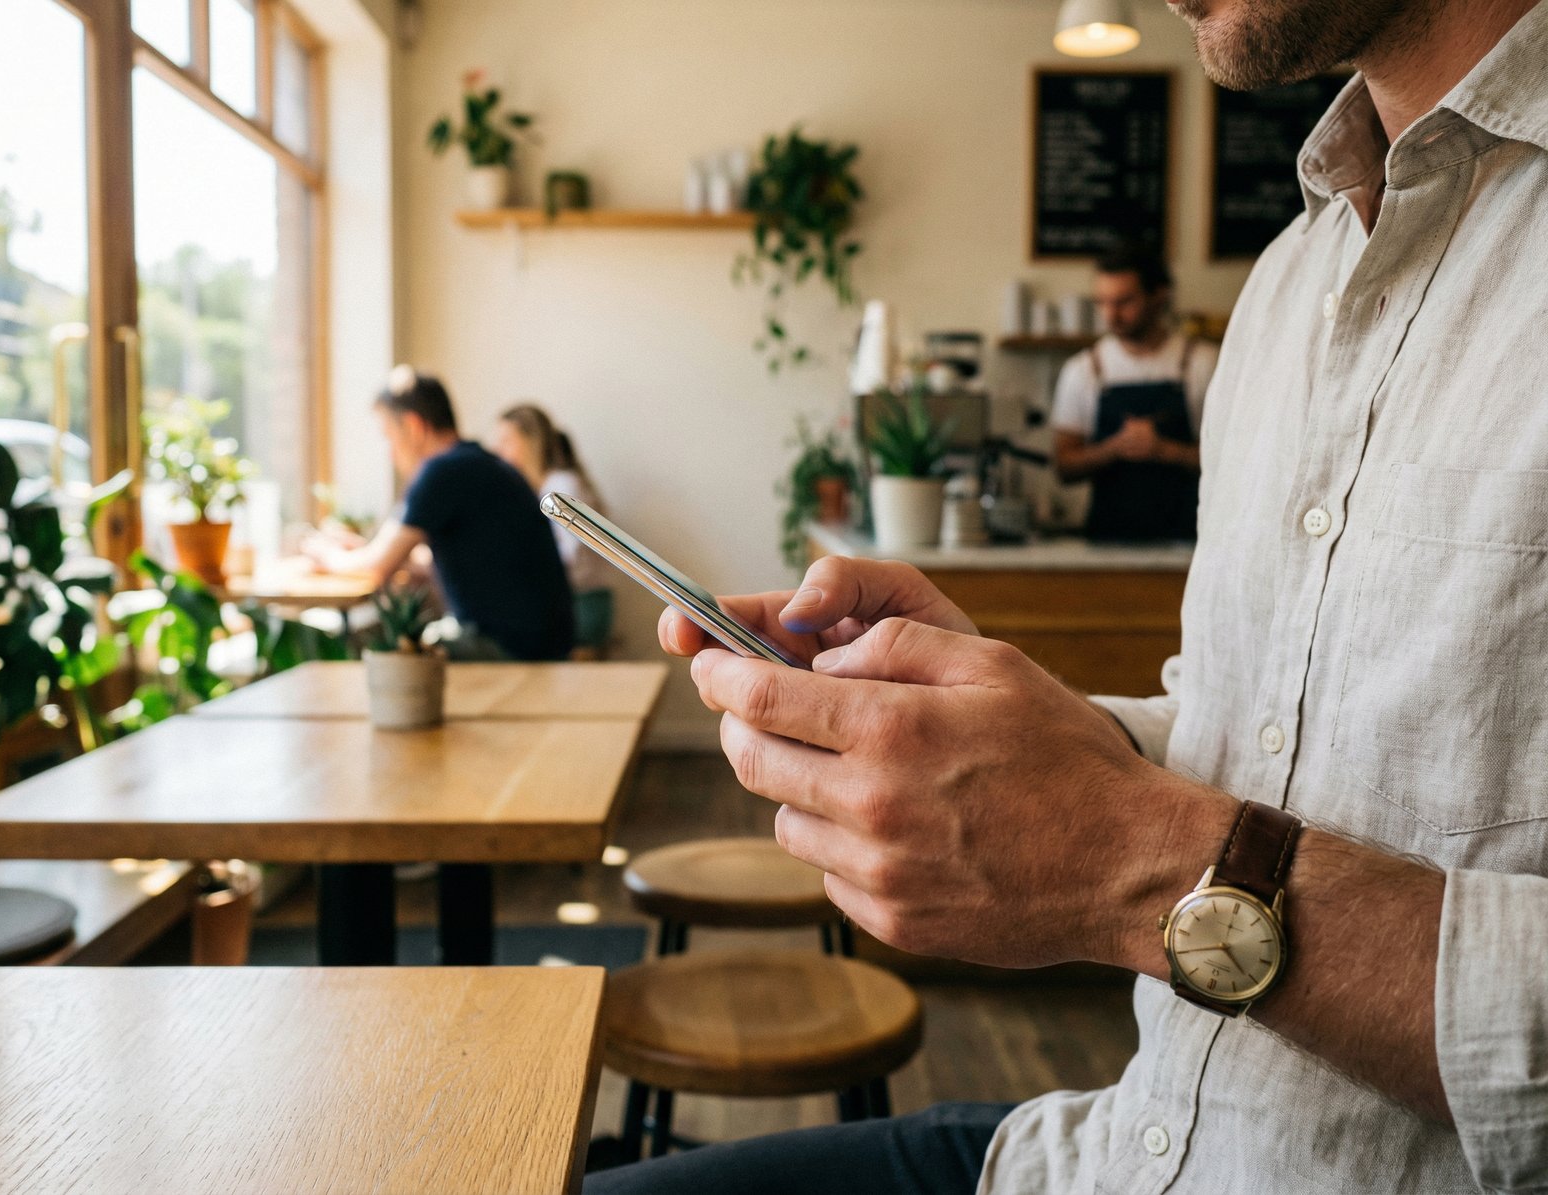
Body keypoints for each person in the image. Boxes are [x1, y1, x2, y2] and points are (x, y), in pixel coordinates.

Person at [589, 0, 1548, 1191]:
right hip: (1110, 1152)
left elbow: (1171, 843)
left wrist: (1120, 861)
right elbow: (1245, 731)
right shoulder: (1291, 284)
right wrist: (1023, 730)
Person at [307, 367, 573, 662]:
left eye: (389, 437)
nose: (391, 453)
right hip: (544, 640)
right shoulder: (480, 463)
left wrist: (325, 555)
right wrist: (363, 552)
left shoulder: (441, 472)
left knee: (385, 658)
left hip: (510, 647)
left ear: (413, 427)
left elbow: (375, 569)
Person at [1050, 249, 1217, 542]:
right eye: (1102, 302)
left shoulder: (1203, 363)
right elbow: (1064, 467)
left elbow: (1232, 460)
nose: (1111, 314)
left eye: (1124, 301)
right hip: (1106, 541)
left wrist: (1165, 450)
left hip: (1190, 542)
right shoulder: (1082, 370)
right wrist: (1113, 448)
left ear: (1159, 296)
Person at [486, 403, 617, 650]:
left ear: (531, 443)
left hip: (580, 606)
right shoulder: (539, 490)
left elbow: (569, 555)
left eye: (506, 441)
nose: (496, 450)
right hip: (566, 604)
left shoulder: (561, 487)